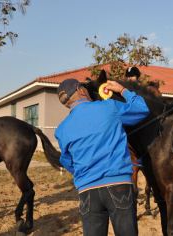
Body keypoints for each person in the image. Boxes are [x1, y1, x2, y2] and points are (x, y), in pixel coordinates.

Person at [54, 78, 149, 236]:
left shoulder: (62, 129)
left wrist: (85, 174)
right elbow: (142, 109)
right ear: (81, 90)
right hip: (118, 184)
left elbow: (67, 162)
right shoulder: (109, 107)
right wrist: (122, 90)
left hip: (87, 190)